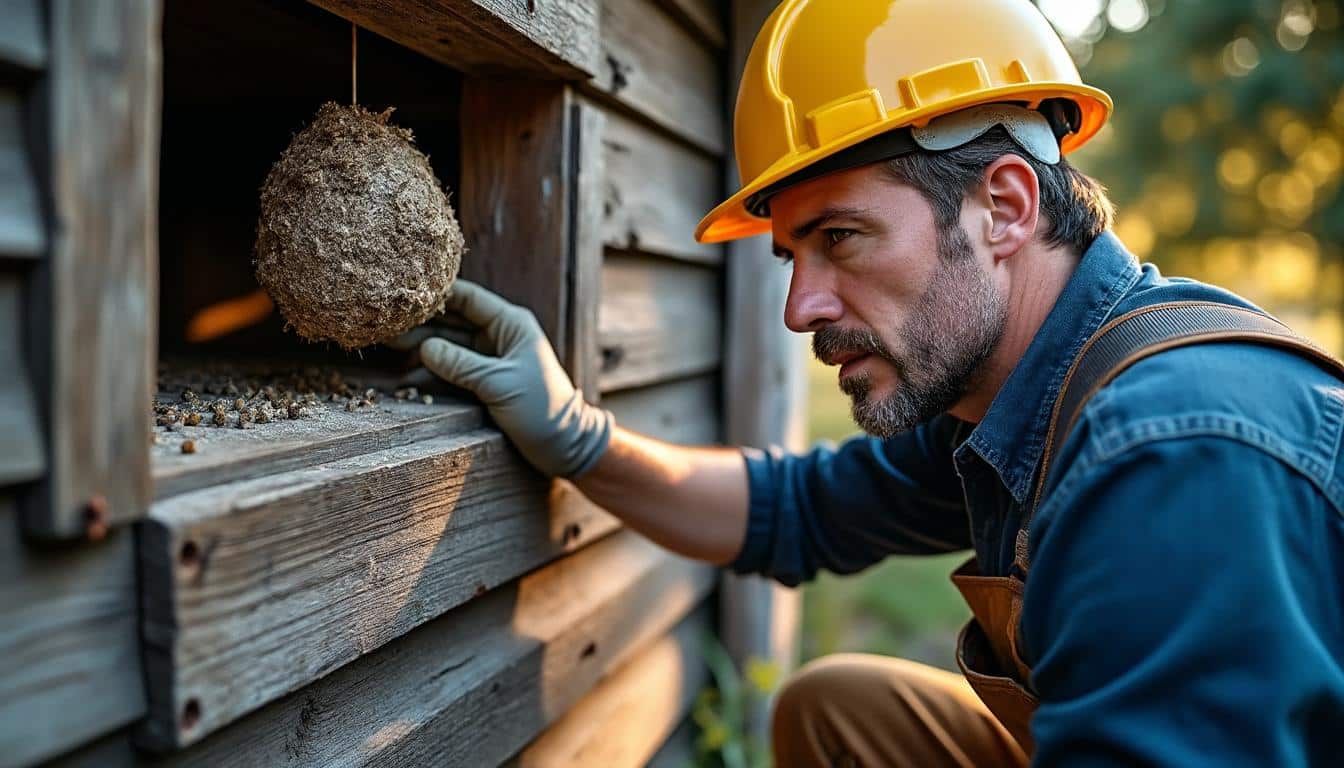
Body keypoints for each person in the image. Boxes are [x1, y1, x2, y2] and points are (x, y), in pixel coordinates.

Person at [401, 0, 1344, 764]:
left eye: (840, 238)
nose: (800, 308)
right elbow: (796, 512)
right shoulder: (1019, 395)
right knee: (842, 711)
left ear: (1004, 207)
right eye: (790, 257)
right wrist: (577, 438)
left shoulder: (1172, 458)